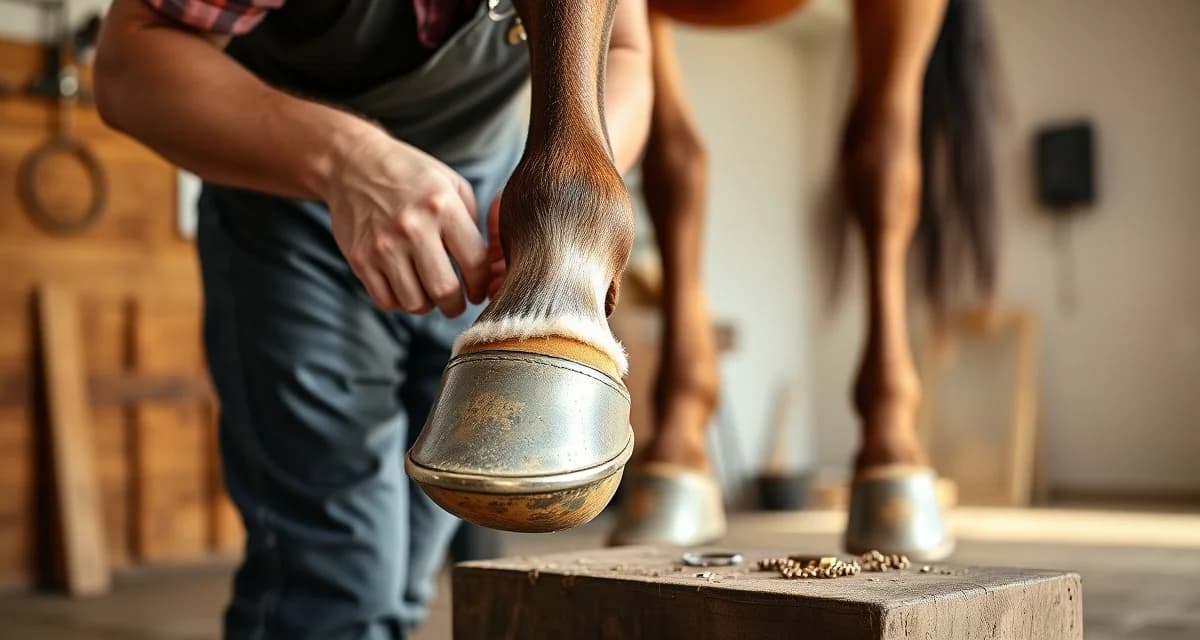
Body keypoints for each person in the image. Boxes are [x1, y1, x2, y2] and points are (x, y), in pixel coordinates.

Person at [93, 0, 651, 637]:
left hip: (490, 209)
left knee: (416, 559)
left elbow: (624, 52)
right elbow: (126, 65)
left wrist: (548, 211)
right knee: (337, 576)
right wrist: (347, 160)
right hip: (296, 204)